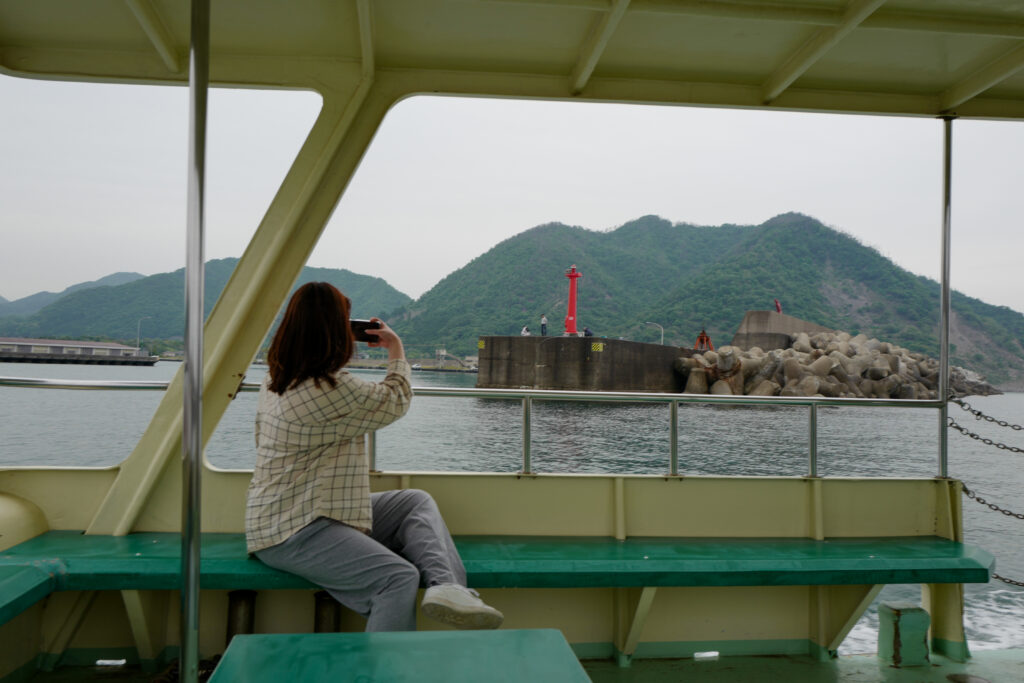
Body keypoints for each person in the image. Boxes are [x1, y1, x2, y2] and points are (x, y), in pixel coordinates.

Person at [246, 282, 503, 632]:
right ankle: (384, 671)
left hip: (295, 509)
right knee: (396, 578)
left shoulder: (275, 378)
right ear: (333, 331)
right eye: (344, 322)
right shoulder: (328, 387)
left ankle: (448, 589)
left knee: (413, 502)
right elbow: (396, 399)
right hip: (293, 530)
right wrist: (396, 348)